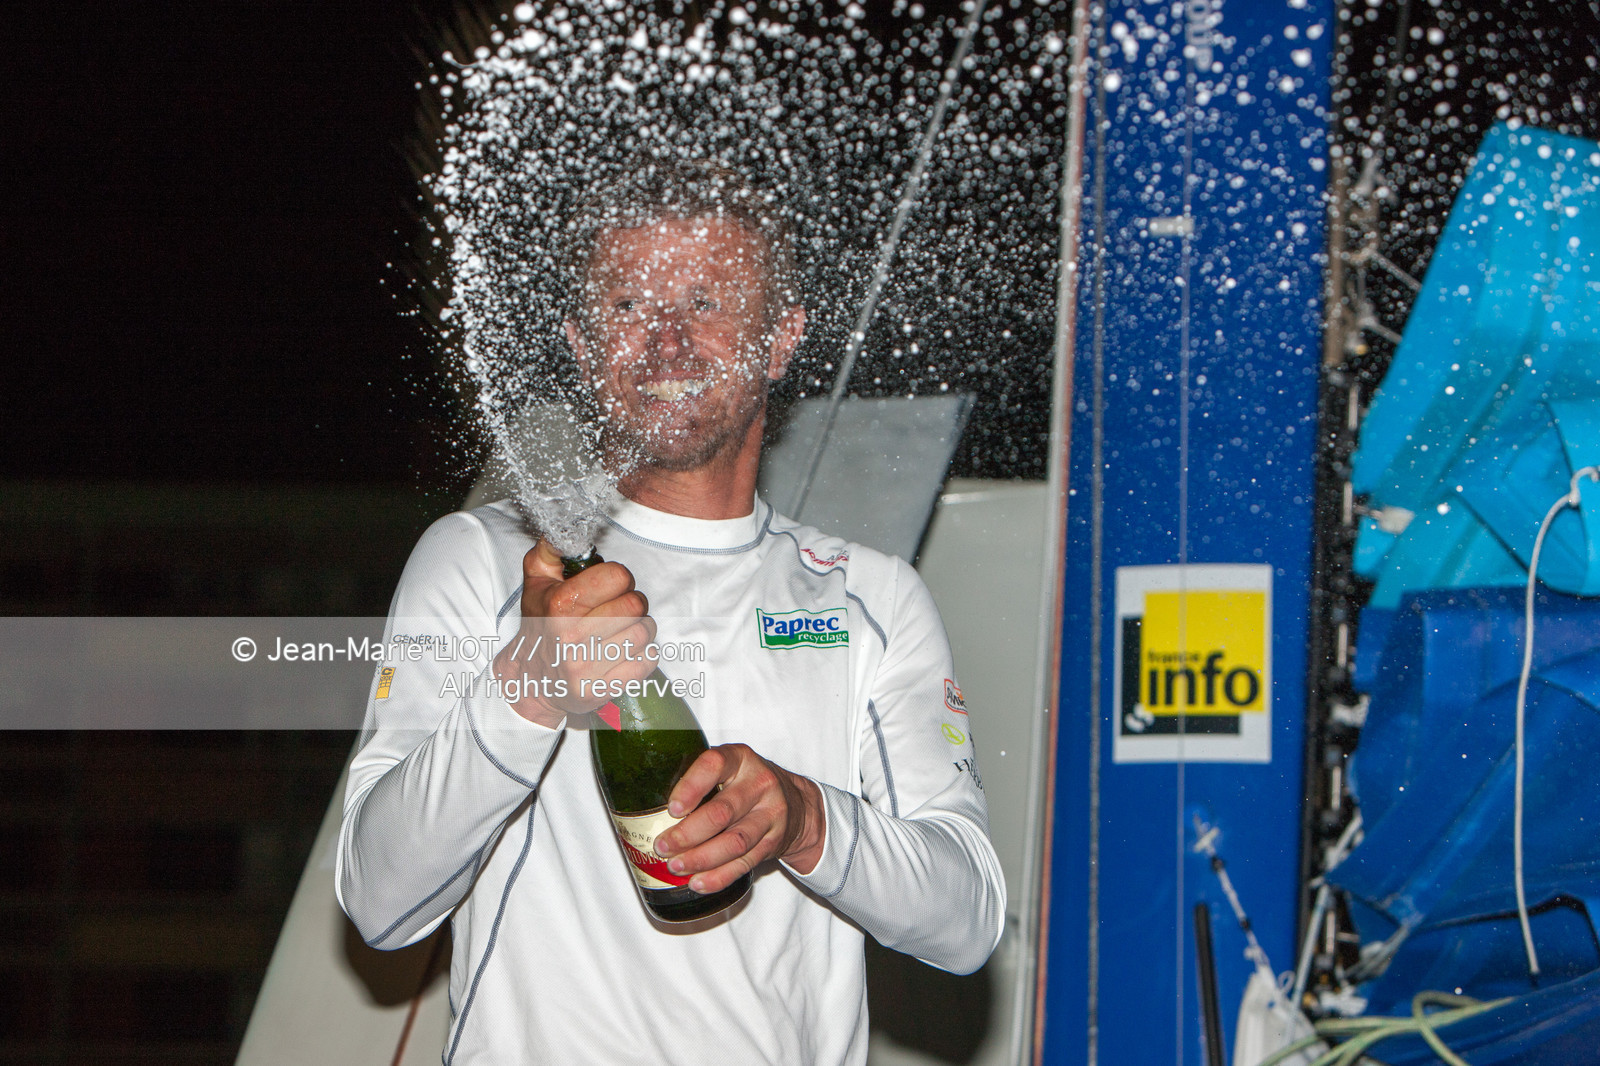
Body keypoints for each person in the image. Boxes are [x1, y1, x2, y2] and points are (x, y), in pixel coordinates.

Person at [337, 161, 1004, 1065]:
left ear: (781, 338)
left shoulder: (869, 598)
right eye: (627, 308)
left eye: (707, 302)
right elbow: (379, 901)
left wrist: (805, 818)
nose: (666, 343)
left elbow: (967, 922)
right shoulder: (485, 558)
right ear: (580, 344)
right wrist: (526, 688)